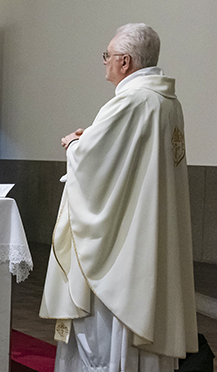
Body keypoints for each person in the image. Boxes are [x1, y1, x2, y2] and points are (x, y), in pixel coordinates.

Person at [39, 23, 197, 371]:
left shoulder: (131, 100)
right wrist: (92, 137)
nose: (105, 62)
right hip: (149, 230)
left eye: (107, 56)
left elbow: (94, 164)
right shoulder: (166, 101)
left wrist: (75, 142)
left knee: (105, 331)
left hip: (123, 243)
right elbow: (124, 158)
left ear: (125, 61)